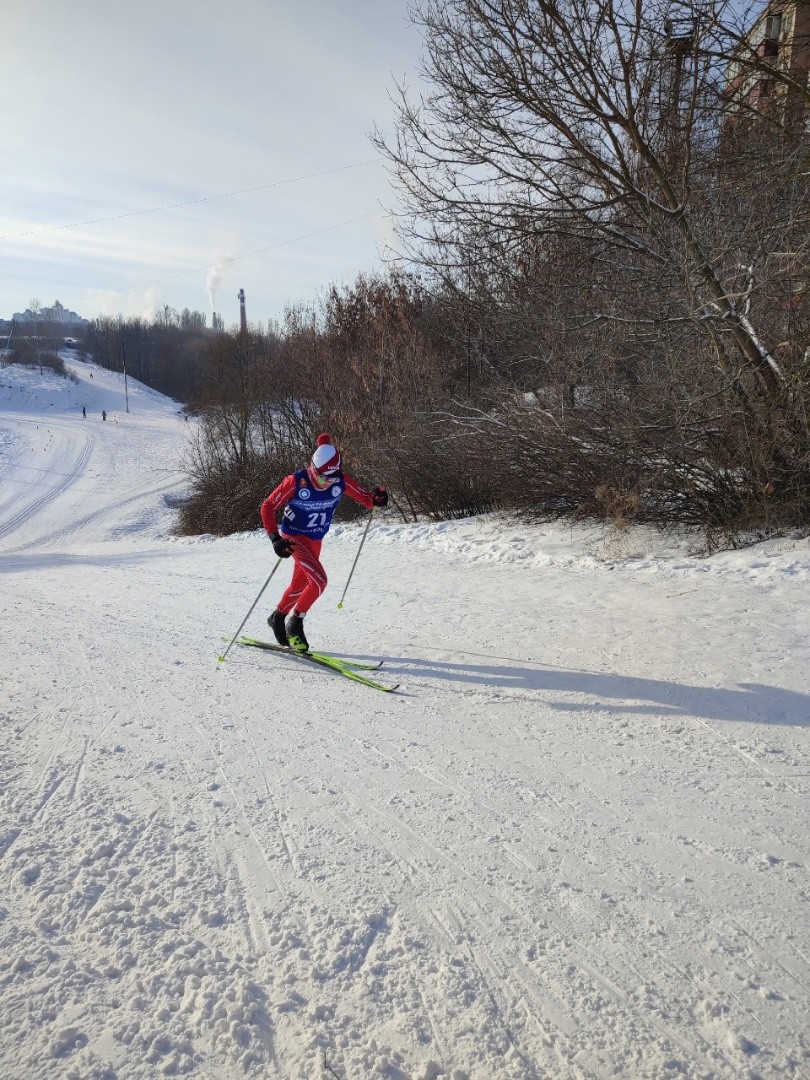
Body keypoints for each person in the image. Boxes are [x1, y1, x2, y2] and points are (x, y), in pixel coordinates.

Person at [259, 434, 387, 651]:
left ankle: (277, 617)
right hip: (293, 537)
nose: (327, 482)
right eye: (322, 478)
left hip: (315, 539)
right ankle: (295, 623)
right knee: (319, 581)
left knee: (300, 585)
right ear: (313, 469)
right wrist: (275, 538)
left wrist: (377, 499)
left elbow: (368, 499)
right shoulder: (296, 481)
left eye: (332, 478)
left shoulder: (340, 481)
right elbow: (268, 506)